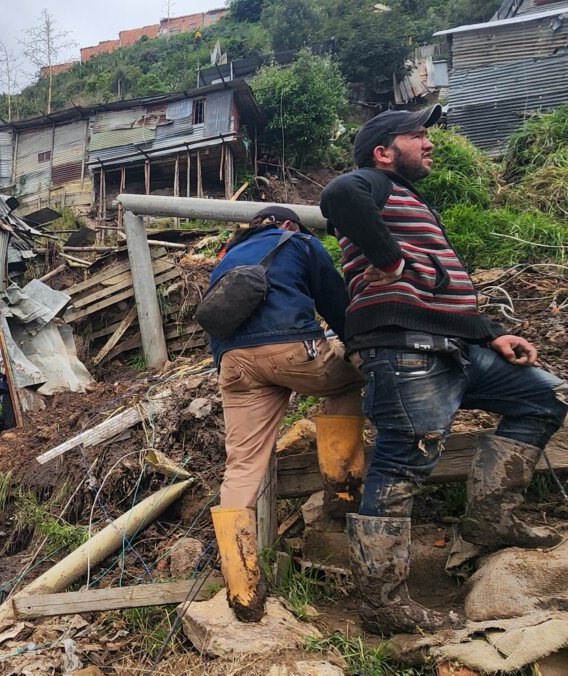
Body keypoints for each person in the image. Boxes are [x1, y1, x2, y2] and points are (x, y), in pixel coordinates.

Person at [320, 104, 568, 636]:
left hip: (454, 345)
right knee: (404, 459)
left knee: (542, 397)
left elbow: (444, 293)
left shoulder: (409, 200)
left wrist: (489, 334)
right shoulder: (370, 183)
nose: (429, 142)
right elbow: (337, 195)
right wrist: (390, 263)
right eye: (417, 136)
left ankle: (491, 519)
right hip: (405, 348)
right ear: (384, 152)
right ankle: (383, 603)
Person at [207, 205, 365, 622]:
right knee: (347, 382)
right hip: (295, 351)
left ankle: (243, 593)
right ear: (289, 224)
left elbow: (215, 323)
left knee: (241, 466)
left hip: (234, 364)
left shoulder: (226, 259)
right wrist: (357, 344)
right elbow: (336, 304)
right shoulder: (300, 242)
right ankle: (344, 490)